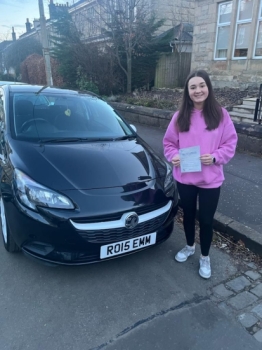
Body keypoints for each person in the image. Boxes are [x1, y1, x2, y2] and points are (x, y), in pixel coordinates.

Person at [163, 70, 238, 279]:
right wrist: (174, 156)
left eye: (201, 85)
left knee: (206, 221)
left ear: (208, 87)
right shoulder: (180, 117)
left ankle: (205, 257)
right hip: (185, 178)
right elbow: (169, 143)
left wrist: (215, 157)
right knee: (187, 216)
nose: (198, 90)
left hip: (210, 180)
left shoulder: (221, 114)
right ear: (187, 92)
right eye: (193, 87)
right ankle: (189, 246)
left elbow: (230, 143)